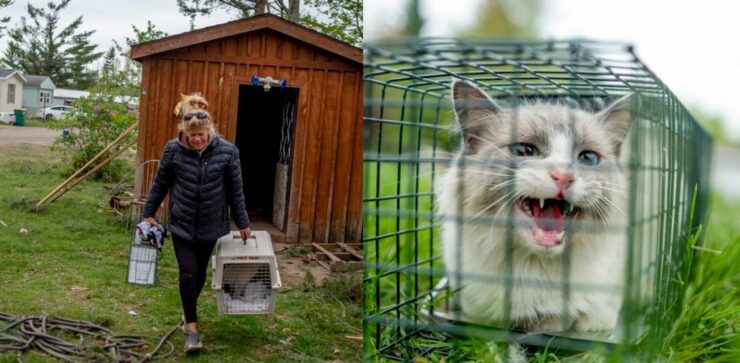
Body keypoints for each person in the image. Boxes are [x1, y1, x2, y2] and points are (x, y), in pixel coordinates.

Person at [142, 98, 250, 353]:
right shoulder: (173, 150)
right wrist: (149, 212)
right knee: (187, 272)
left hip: (211, 224)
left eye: (201, 135)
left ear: (209, 131)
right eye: (192, 136)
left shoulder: (228, 152)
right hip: (182, 222)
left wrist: (243, 222)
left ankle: (187, 307)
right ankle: (192, 329)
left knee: (199, 273)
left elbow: (236, 191)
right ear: (184, 132)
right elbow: (161, 183)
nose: (197, 140)